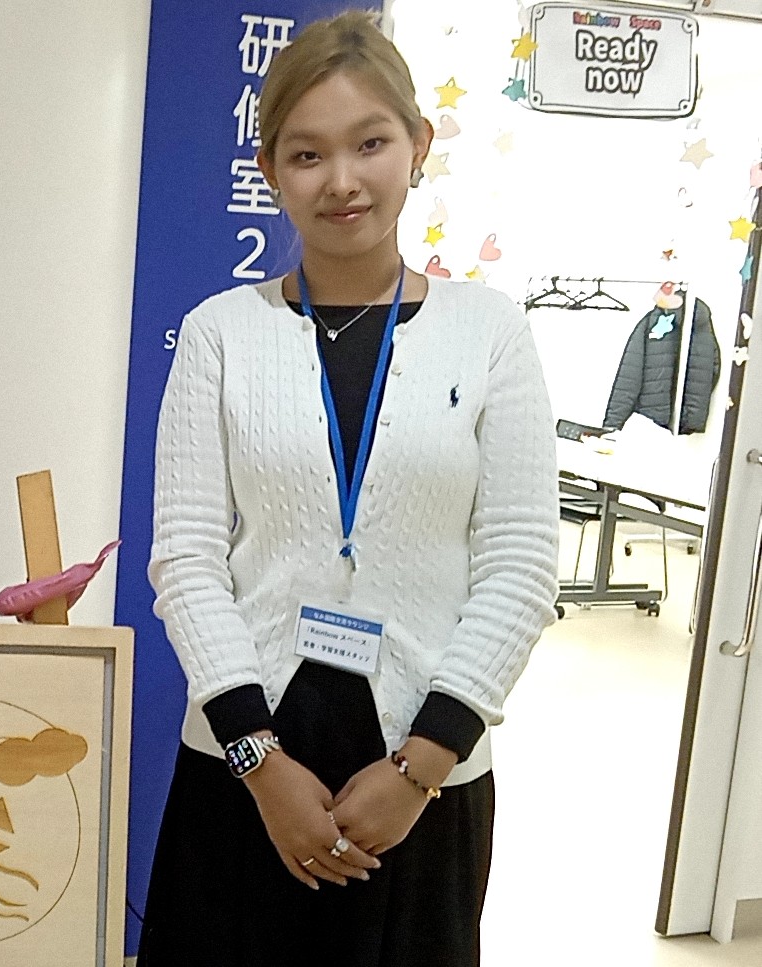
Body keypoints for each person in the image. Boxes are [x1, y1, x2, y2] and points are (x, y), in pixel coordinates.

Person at [136, 10, 559, 967]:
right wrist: (259, 761)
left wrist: (422, 767)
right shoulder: (218, 334)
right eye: (307, 153)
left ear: (418, 144)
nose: (341, 181)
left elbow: (522, 564)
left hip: (426, 762)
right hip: (247, 758)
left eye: (370, 144)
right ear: (269, 169)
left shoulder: (489, 331)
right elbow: (188, 559)